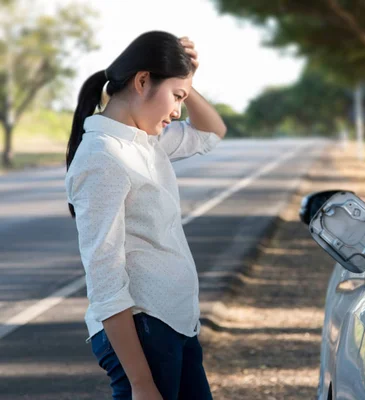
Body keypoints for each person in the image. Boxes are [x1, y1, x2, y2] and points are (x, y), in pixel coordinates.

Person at [65, 31, 227, 400]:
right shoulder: (103, 157)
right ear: (142, 81)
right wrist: (140, 382)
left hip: (173, 325)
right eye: (176, 97)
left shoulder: (144, 140)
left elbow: (211, 133)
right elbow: (105, 280)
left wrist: (187, 80)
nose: (178, 111)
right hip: (145, 335)